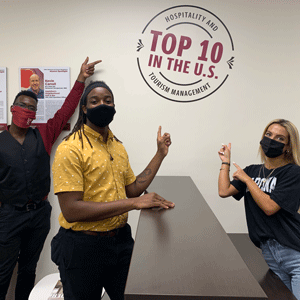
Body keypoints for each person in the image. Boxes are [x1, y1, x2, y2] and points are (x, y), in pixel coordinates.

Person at [51, 80, 175, 300]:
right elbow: (71, 210)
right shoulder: (70, 148)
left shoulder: (117, 146)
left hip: (120, 243)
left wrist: (160, 154)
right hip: (82, 248)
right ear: (84, 108)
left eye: (108, 101)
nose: (103, 105)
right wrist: (134, 204)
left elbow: (133, 189)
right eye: (95, 101)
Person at [0, 57, 101, 300]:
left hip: (38, 215)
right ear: (13, 108)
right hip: (9, 216)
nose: (27, 110)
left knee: (28, 269)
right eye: (23, 105)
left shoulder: (43, 133)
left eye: (32, 108)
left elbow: (66, 109)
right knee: (3, 271)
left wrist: (80, 79)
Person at [218, 119, 300, 300]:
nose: (271, 140)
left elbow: (270, 207)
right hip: (270, 253)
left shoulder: (293, 173)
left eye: (279, 138)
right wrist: (226, 163)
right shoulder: (253, 170)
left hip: (294, 252)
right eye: (269, 135)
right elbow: (224, 191)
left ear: (287, 146)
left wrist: (248, 180)